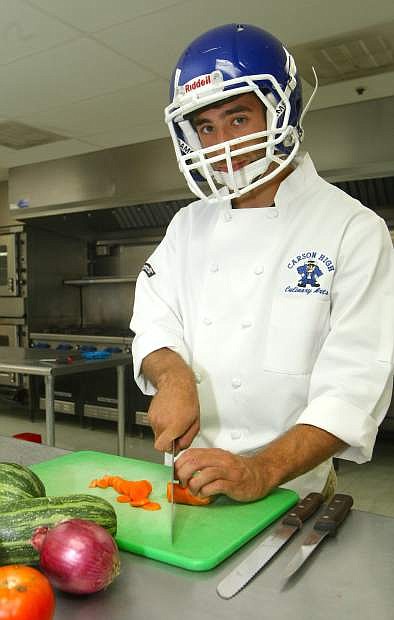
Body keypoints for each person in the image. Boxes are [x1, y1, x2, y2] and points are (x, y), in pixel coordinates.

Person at [130, 23, 394, 501]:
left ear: (281, 112)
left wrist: (261, 470)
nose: (221, 144)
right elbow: (153, 319)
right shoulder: (187, 225)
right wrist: (172, 375)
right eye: (205, 127)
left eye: (238, 119)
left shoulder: (353, 229)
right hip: (190, 478)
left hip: (294, 487)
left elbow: (356, 385)